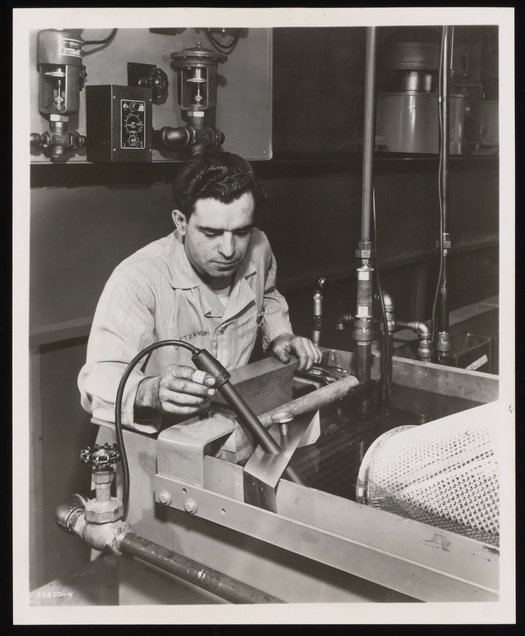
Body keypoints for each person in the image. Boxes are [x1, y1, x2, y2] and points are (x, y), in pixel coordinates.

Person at [78, 151, 322, 433]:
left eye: (241, 232)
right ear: (181, 222)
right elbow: (99, 376)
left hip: (228, 427)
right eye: (211, 233)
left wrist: (280, 334)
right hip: (155, 441)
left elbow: (267, 296)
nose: (229, 250)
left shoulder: (259, 247)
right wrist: (150, 391)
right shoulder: (137, 278)